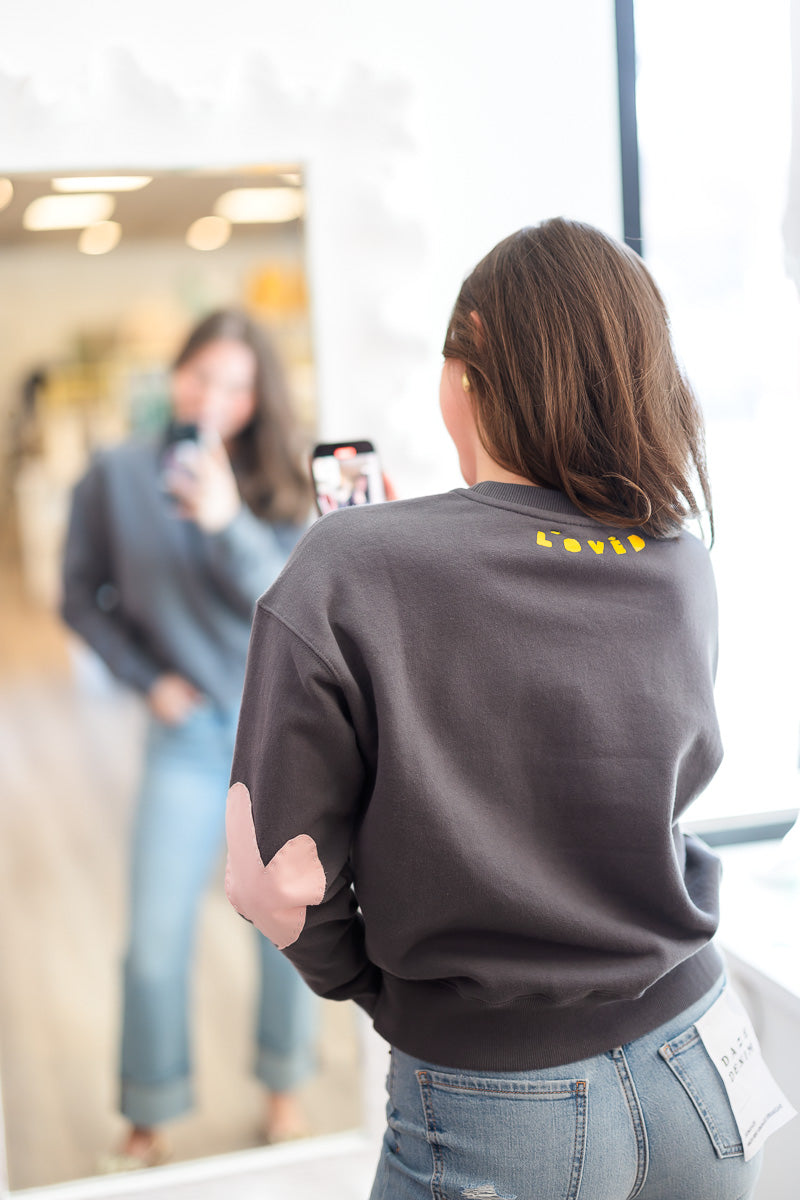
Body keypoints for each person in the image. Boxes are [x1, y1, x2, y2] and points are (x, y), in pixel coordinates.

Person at [224, 221, 768, 1198]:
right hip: (698, 1059)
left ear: (469, 360)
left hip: (498, 1096)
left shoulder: (351, 566)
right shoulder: (678, 560)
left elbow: (279, 871)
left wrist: (384, 992)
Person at [61, 309, 316, 1169]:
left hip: (277, 736)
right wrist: (146, 681)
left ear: (258, 398)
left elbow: (291, 602)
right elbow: (78, 596)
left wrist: (225, 521)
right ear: (175, 374)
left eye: (237, 385)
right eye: (200, 375)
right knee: (154, 937)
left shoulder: (278, 478)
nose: (213, 398)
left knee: (285, 930)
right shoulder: (115, 476)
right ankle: (147, 1114)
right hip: (187, 735)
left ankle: (283, 1091)